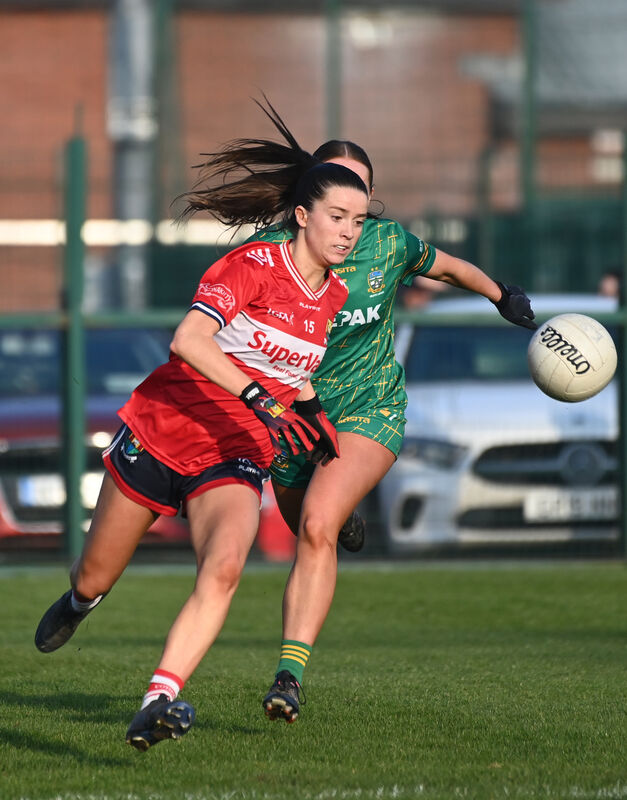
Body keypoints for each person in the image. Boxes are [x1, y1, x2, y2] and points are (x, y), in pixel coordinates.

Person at [34, 116, 370, 751]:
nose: (349, 232)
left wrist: (314, 415)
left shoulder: (333, 295)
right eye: (337, 217)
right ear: (302, 215)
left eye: (358, 220)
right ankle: (79, 603)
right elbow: (188, 340)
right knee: (94, 577)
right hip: (166, 427)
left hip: (236, 450)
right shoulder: (251, 265)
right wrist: (253, 393)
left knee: (223, 568)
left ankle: (158, 701)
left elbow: (289, 372)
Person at [245, 127, 537, 724]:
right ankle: (341, 508)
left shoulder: (386, 245)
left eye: (362, 195)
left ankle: (288, 677)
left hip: (369, 410)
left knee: (317, 527)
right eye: (337, 192)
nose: (351, 215)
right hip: (295, 421)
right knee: (314, 526)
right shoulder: (267, 258)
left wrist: (499, 293)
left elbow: (447, 267)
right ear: (307, 200)